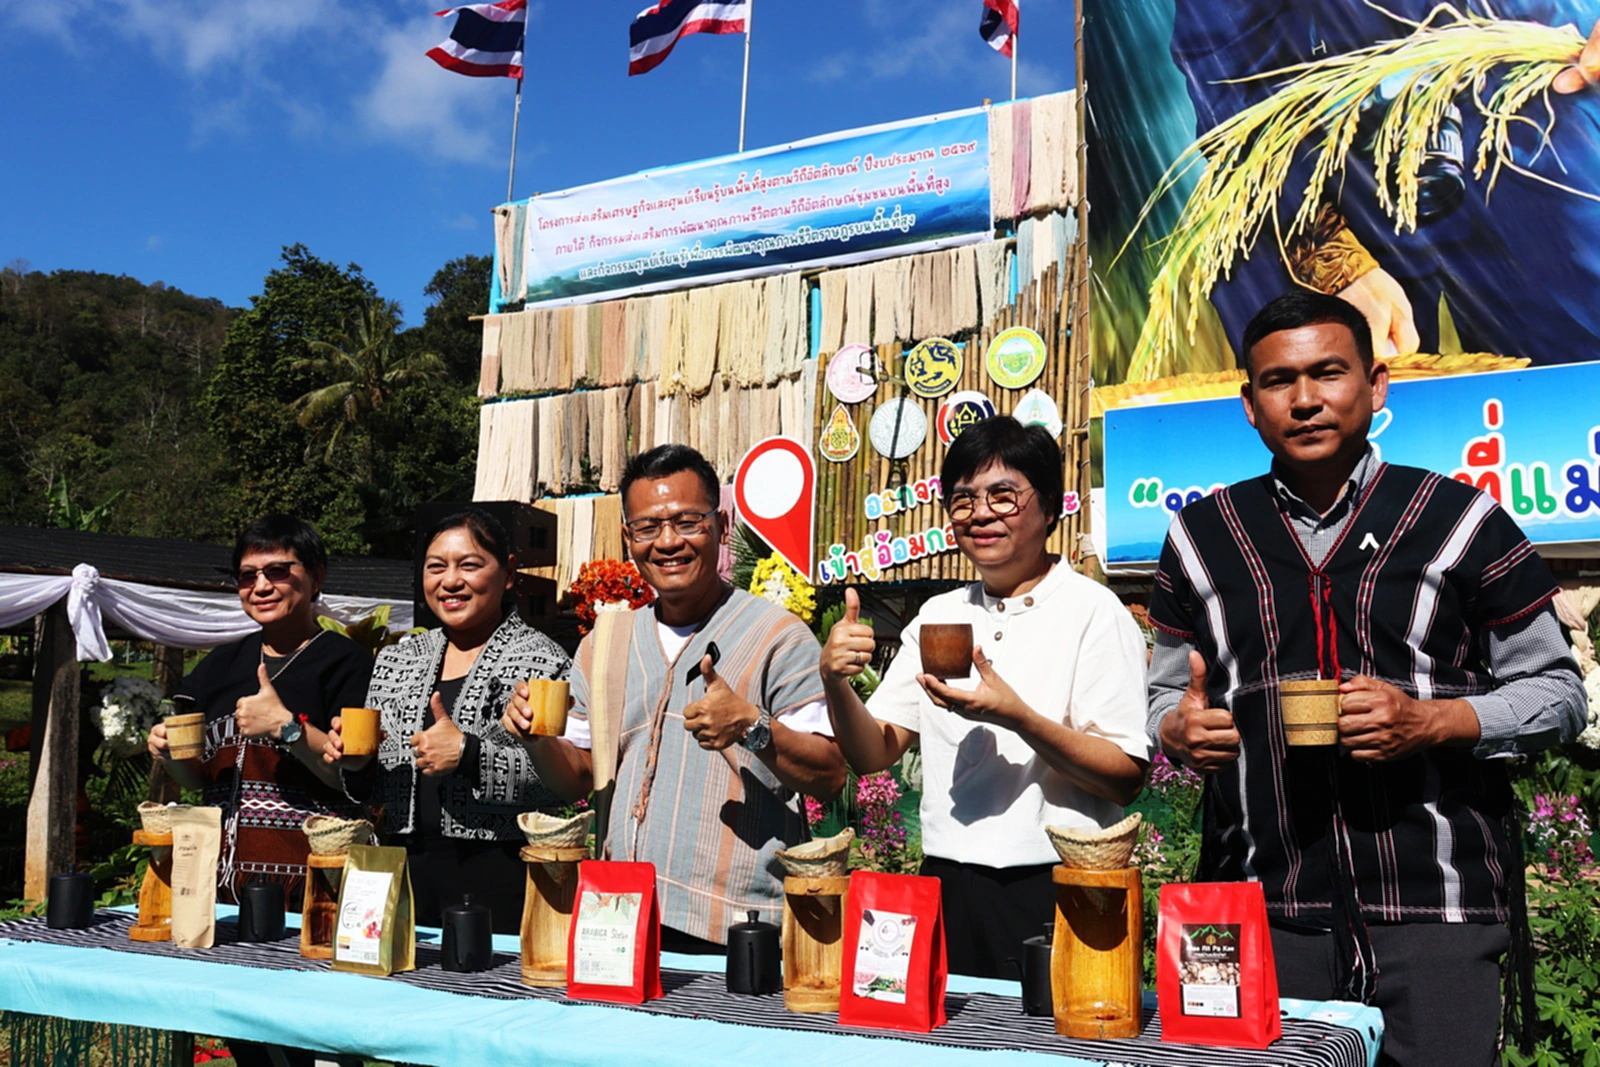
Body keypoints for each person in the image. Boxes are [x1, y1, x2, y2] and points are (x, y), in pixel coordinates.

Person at [1145, 291, 1587, 1067]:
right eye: (1279, 380)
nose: (1305, 398)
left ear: (1376, 385)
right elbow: (1162, 695)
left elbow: (1559, 691)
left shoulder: (1459, 520)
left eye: (1328, 372)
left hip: (1434, 911)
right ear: (1249, 405)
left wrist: (1432, 720)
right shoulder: (1202, 536)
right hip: (1261, 909)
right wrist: (1176, 729)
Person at [820, 416, 1152, 978]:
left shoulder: (1093, 612)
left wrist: (1019, 718)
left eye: (1003, 495)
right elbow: (874, 751)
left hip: (1059, 881)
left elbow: (1124, 776)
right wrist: (834, 680)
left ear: (1050, 507)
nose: (980, 514)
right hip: (946, 880)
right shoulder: (940, 616)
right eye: (963, 500)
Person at [501, 444, 846, 951]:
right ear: (628, 538)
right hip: (619, 916)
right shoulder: (606, 642)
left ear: (721, 526)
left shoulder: (778, 636)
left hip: (738, 925)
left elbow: (830, 775)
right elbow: (577, 776)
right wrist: (536, 740)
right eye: (647, 527)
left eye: (688, 522)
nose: (667, 541)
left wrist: (753, 726)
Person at [1166, 0, 1600, 364]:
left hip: (1535, 126)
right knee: (1341, 383)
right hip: (1331, 173)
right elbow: (1229, 91)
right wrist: (1334, 262)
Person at [322, 508, 570, 934]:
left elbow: (562, 784)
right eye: (436, 567)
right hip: (403, 872)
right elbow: (378, 786)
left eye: (469, 565)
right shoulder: (397, 659)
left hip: (501, 873)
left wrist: (469, 754)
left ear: (509, 573)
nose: (450, 581)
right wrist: (357, 763)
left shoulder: (541, 661)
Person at [147, 515, 372, 904]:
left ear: (316, 577)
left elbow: (350, 779)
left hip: (313, 890)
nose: (261, 586)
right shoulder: (219, 665)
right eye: (248, 576)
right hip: (218, 890)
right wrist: (169, 755)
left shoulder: (348, 664)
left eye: (278, 571)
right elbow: (198, 780)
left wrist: (288, 727)